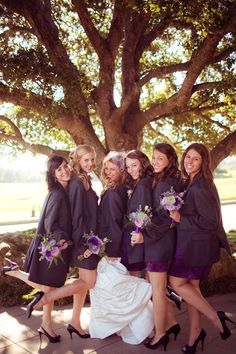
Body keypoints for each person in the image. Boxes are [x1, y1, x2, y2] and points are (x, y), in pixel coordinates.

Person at [169, 143, 234, 353]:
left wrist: (180, 218)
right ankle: (195, 335)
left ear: (203, 162)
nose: (189, 161)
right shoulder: (193, 182)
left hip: (196, 248)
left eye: (195, 158)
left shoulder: (201, 186)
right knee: (193, 290)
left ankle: (216, 317)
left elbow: (210, 222)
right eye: (188, 157)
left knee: (176, 283)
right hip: (192, 245)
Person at [1, 155, 72, 343]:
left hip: (52, 248)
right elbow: (51, 225)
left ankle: (46, 326)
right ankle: (16, 273)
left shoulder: (61, 190)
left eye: (66, 166)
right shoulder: (58, 194)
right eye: (59, 170)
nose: (65, 170)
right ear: (53, 175)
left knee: (50, 287)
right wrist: (65, 240)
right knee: (49, 287)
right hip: (52, 249)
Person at [32, 145, 99, 339]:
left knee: (83, 283)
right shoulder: (77, 183)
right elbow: (77, 217)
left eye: (92, 159)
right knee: (88, 281)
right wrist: (86, 243)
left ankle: (75, 322)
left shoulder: (82, 180)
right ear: (77, 161)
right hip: (83, 241)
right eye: (85, 160)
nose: (90, 163)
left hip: (86, 239)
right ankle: (47, 298)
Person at [89, 151, 154, 344]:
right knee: (113, 291)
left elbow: (115, 224)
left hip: (113, 249)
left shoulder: (116, 192)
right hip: (110, 245)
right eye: (106, 169)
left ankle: (137, 324)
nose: (109, 172)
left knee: (118, 291)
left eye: (113, 169)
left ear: (121, 170)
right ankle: (118, 324)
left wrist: (111, 252)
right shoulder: (115, 188)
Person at [144, 143, 184, 350]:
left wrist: (146, 235)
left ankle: (160, 334)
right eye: (154, 157)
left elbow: (168, 220)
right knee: (158, 288)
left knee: (158, 290)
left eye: (160, 158)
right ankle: (171, 323)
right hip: (163, 243)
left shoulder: (165, 184)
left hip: (159, 244)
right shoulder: (167, 180)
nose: (155, 161)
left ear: (170, 160)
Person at [121, 150, 154, 275]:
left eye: (134, 165)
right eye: (128, 167)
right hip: (135, 238)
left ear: (143, 164)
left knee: (136, 279)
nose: (130, 170)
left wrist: (140, 234)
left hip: (137, 239)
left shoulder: (144, 183)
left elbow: (144, 212)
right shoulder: (140, 182)